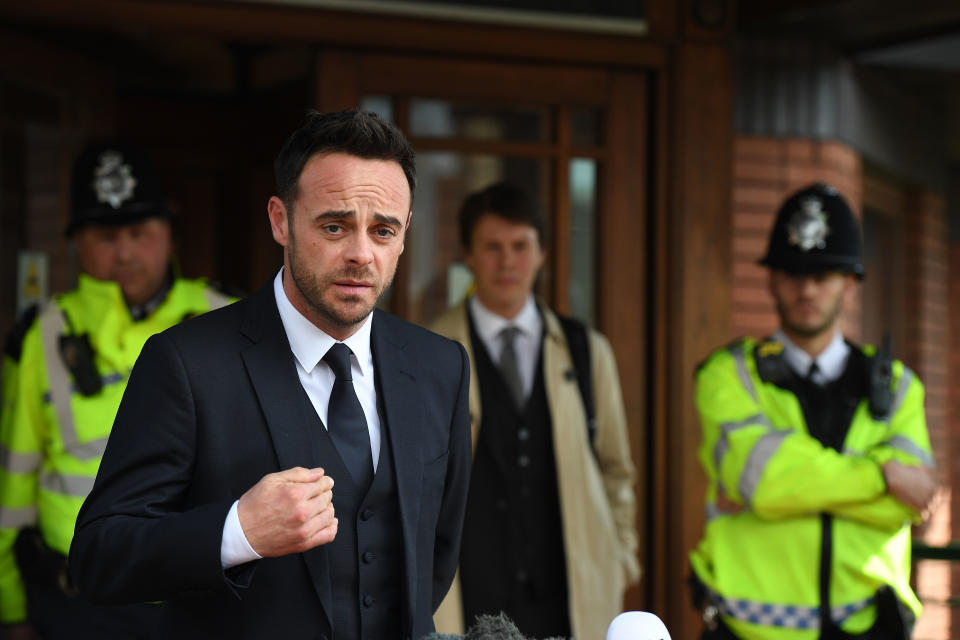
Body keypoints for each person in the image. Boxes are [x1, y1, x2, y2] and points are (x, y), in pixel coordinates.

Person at [68, 109, 472, 640]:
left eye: (382, 230)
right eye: (334, 225)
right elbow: (99, 557)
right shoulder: (186, 363)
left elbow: (435, 558)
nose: (360, 254)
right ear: (281, 220)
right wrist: (237, 531)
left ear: (404, 235)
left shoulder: (440, 365)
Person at [0, 140, 234, 639]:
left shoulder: (226, 316)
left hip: (200, 600)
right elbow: (12, 485)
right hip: (78, 606)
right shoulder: (41, 337)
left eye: (138, 231)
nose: (124, 252)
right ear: (76, 242)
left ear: (169, 233)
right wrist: (10, 607)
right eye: (105, 235)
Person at [688, 183, 938, 640]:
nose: (806, 289)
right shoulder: (726, 375)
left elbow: (913, 502)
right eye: (792, 273)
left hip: (870, 626)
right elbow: (764, 483)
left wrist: (793, 484)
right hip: (749, 631)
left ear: (850, 281)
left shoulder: (900, 386)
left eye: (822, 275)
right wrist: (884, 477)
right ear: (771, 279)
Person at [431, 183, 640, 639]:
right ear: (468, 255)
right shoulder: (429, 352)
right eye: (492, 247)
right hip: (467, 598)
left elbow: (616, 469)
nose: (507, 262)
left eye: (520, 246)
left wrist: (620, 556)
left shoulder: (588, 351)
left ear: (542, 253)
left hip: (569, 598)